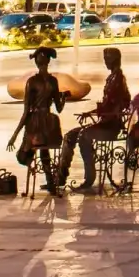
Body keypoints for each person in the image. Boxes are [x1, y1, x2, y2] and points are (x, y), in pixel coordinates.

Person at [56, 45, 131, 192]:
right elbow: (107, 105)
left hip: (110, 127)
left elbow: (116, 107)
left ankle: (89, 178)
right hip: (104, 122)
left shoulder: (118, 80)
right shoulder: (112, 78)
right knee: (71, 135)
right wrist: (91, 113)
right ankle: (60, 177)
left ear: (115, 60)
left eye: (107, 59)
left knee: (84, 135)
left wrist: (99, 116)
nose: (105, 62)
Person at [11, 46, 66, 193]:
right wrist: (63, 97)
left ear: (36, 62)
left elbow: (26, 112)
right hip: (50, 125)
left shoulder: (32, 82)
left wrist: (15, 135)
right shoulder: (54, 81)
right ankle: (50, 182)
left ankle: (37, 174)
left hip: (35, 124)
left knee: (25, 153)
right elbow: (59, 109)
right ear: (48, 62)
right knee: (45, 150)